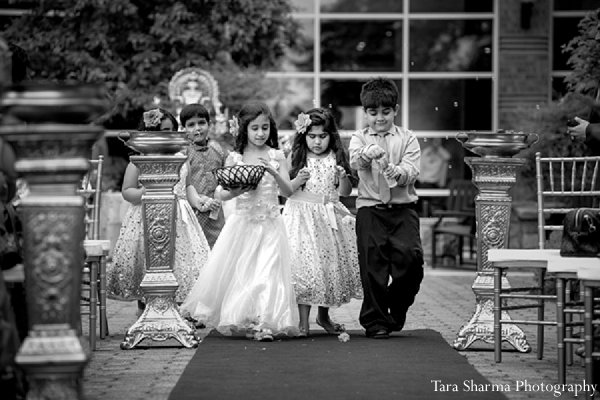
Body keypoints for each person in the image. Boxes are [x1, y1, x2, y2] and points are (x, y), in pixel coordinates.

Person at [180, 102, 298, 342]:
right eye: (254, 128)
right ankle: (246, 317)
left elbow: (288, 192)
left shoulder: (277, 156)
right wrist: (236, 191)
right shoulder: (235, 157)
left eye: (265, 127)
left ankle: (266, 321)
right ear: (244, 129)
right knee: (245, 272)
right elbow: (220, 193)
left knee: (268, 271)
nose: (260, 133)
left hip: (271, 224)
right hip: (243, 223)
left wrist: (274, 173)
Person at [106, 108, 210, 315]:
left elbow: (187, 185)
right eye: (163, 131)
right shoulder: (140, 160)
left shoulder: (181, 157)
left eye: (172, 130)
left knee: (180, 261)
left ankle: (178, 308)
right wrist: (147, 191)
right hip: (147, 217)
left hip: (179, 215)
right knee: (148, 258)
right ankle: (145, 308)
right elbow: (127, 191)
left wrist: (197, 201)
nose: (168, 135)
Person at [348, 78, 424, 339]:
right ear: (365, 113)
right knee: (372, 266)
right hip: (370, 209)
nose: (379, 118)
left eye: (385, 111)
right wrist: (367, 154)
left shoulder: (408, 138)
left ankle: (396, 305)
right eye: (373, 112)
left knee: (411, 261)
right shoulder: (359, 137)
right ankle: (375, 321)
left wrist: (397, 171)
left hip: (403, 210)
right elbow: (354, 161)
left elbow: (412, 170)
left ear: (396, 110)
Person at [282, 108, 362, 337]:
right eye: (312, 136)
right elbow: (286, 191)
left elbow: (345, 192)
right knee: (306, 268)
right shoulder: (296, 156)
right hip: (301, 217)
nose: (317, 141)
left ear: (331, 136)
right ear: (303, 135)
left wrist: (343, 177)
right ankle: (303, 321)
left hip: (328, 218)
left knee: (328, 268)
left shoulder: (335, 158)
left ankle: (323, 315)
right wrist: (298, 179)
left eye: (323, 136)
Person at [180, 103, 227, 248]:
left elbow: (226, 176)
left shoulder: (217, 149)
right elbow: (183, 184)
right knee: (195, 247)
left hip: (215, 210)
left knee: (218, 247)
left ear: (209, 124)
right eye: (191, 125)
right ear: (183, 129)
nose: (197, 128)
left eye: (201, 123)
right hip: (192, 209)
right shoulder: (183, 152)